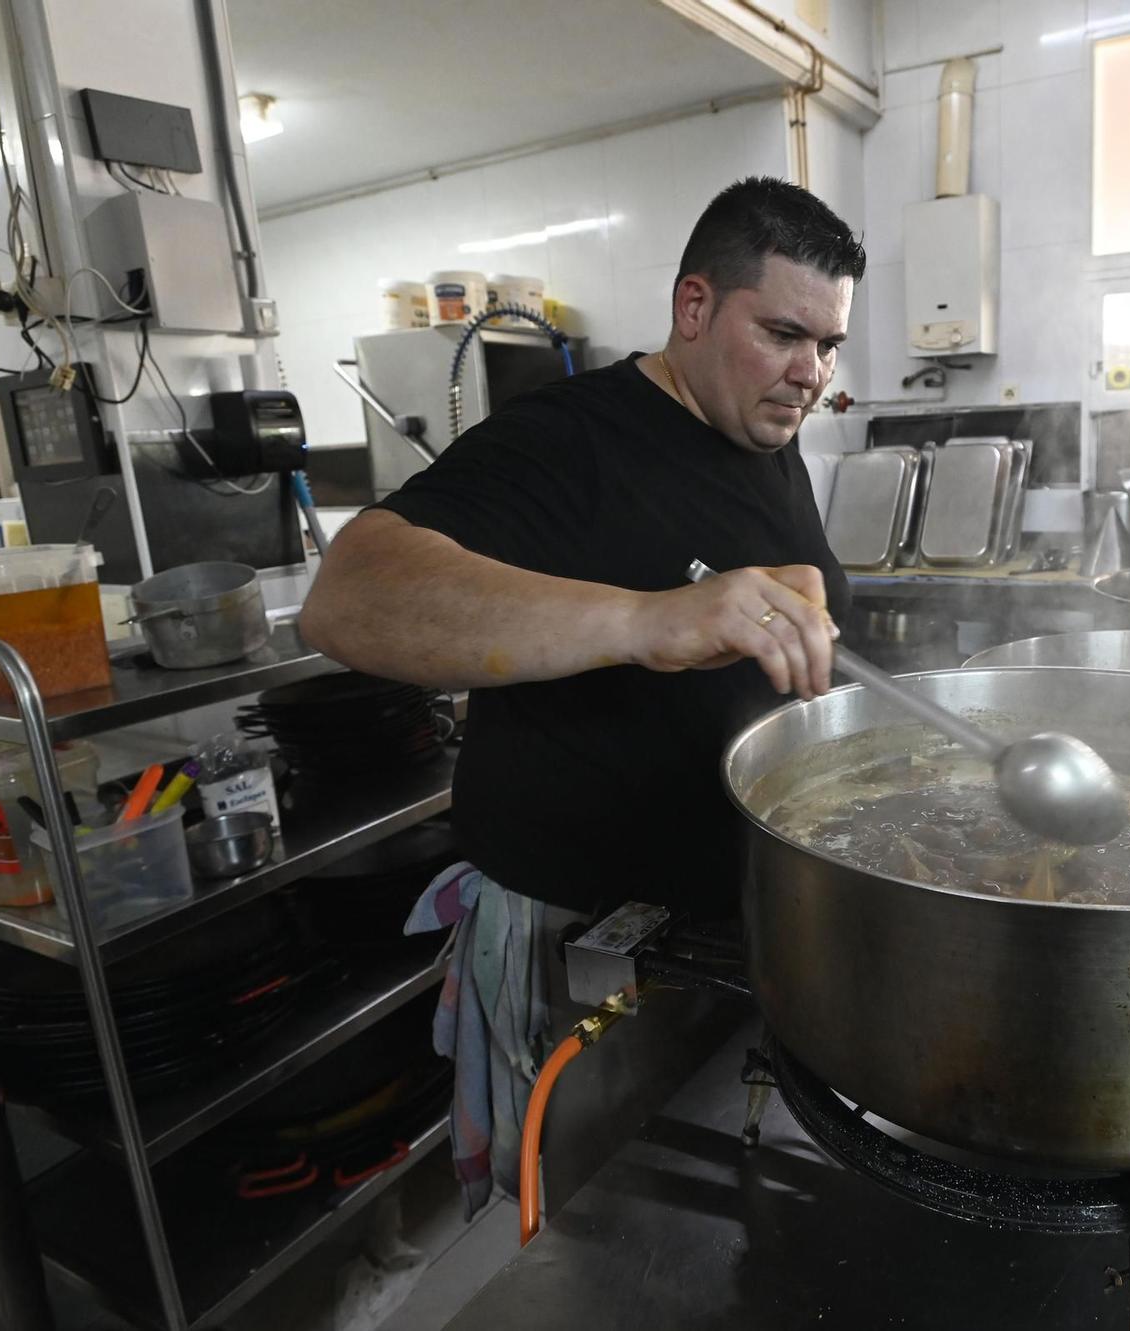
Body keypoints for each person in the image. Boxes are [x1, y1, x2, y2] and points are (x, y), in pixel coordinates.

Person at [300, 177, 864, 924]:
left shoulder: (759, 432)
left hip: (740, 908)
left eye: (828, 345)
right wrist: (645, 621)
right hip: (592, 932)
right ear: (694, 306)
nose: (811, 374)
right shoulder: (569, 437)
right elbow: (346, 595)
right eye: (784, 335)